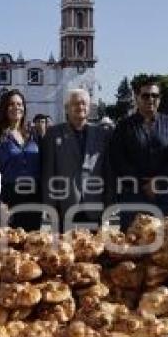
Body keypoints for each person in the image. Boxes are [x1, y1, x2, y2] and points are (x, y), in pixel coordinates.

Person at [108, 79, 168, 230]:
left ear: (159, 99)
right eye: (145, 95)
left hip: (163, 194)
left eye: (155, 95)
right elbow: (117, 158)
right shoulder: (124, 126)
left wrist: (158, 182)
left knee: (164, 243)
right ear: (137, 98)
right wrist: (143, 184)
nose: (150, 99)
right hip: (133, 194)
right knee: (132, 243)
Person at [40, 89, 112, 231]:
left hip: (95, 205)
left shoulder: (102, 134)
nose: (80, 107)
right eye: (75, 103)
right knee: (65, 251)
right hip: (65, 207)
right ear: (67, 108)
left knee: (94, 250)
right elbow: (48, 173)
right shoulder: (54, 134)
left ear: (89, 107)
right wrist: (50, 207)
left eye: (84, 103)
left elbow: (107, 171)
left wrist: (109, 204)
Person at [0, 90, 43, 231]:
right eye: (11, 104)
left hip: (34, 196)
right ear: (4, 108)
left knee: (33, 243)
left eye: (19, 104)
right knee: (10, 244)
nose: (16, 107)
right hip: (9, 196)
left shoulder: (33, 134)